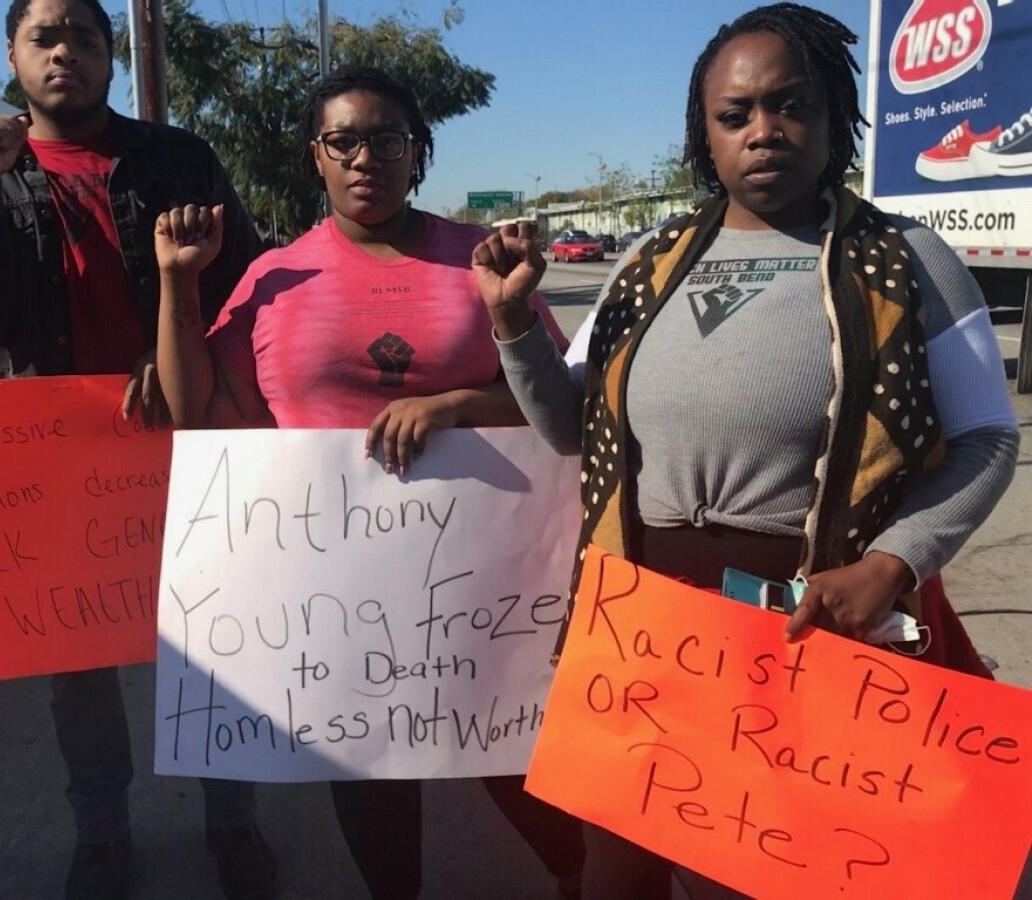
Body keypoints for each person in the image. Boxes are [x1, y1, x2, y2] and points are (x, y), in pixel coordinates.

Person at [471, 4, 1019, 898]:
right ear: (706, 134)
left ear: (832, 115)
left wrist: (894, 564)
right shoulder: (650, 258)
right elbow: (572, 428)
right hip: (644, 617)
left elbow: (989, 440)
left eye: (789, 104)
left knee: (786, 874)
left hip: (810, 619)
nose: (764, 130)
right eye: (736, 115)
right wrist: (511, 326)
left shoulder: (907, 258)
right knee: (622, 870)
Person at [152, 66, 587, 899]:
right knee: (368, 773)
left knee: (512, 753)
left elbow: (561, 404)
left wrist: (458, 403)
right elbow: (196, 412)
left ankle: (575, 879)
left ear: (417, 151)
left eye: (386, 139)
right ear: (315, 157)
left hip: (489, 569)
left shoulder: (482, 260)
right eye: (342, 141)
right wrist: (178, 282)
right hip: (336, 587)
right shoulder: (272, 278)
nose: (365, 158)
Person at [0, 2, 273, 898]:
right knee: (77, 667)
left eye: (84, 37)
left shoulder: (175, 158)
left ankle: (232, 824)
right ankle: (102, 835)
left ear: (110, 55)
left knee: (212, 645)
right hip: (56, 464)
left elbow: (246, 285)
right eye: (44, 37)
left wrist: (171, 354)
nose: (64, 53)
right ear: (9, 54)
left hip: (183, 444)